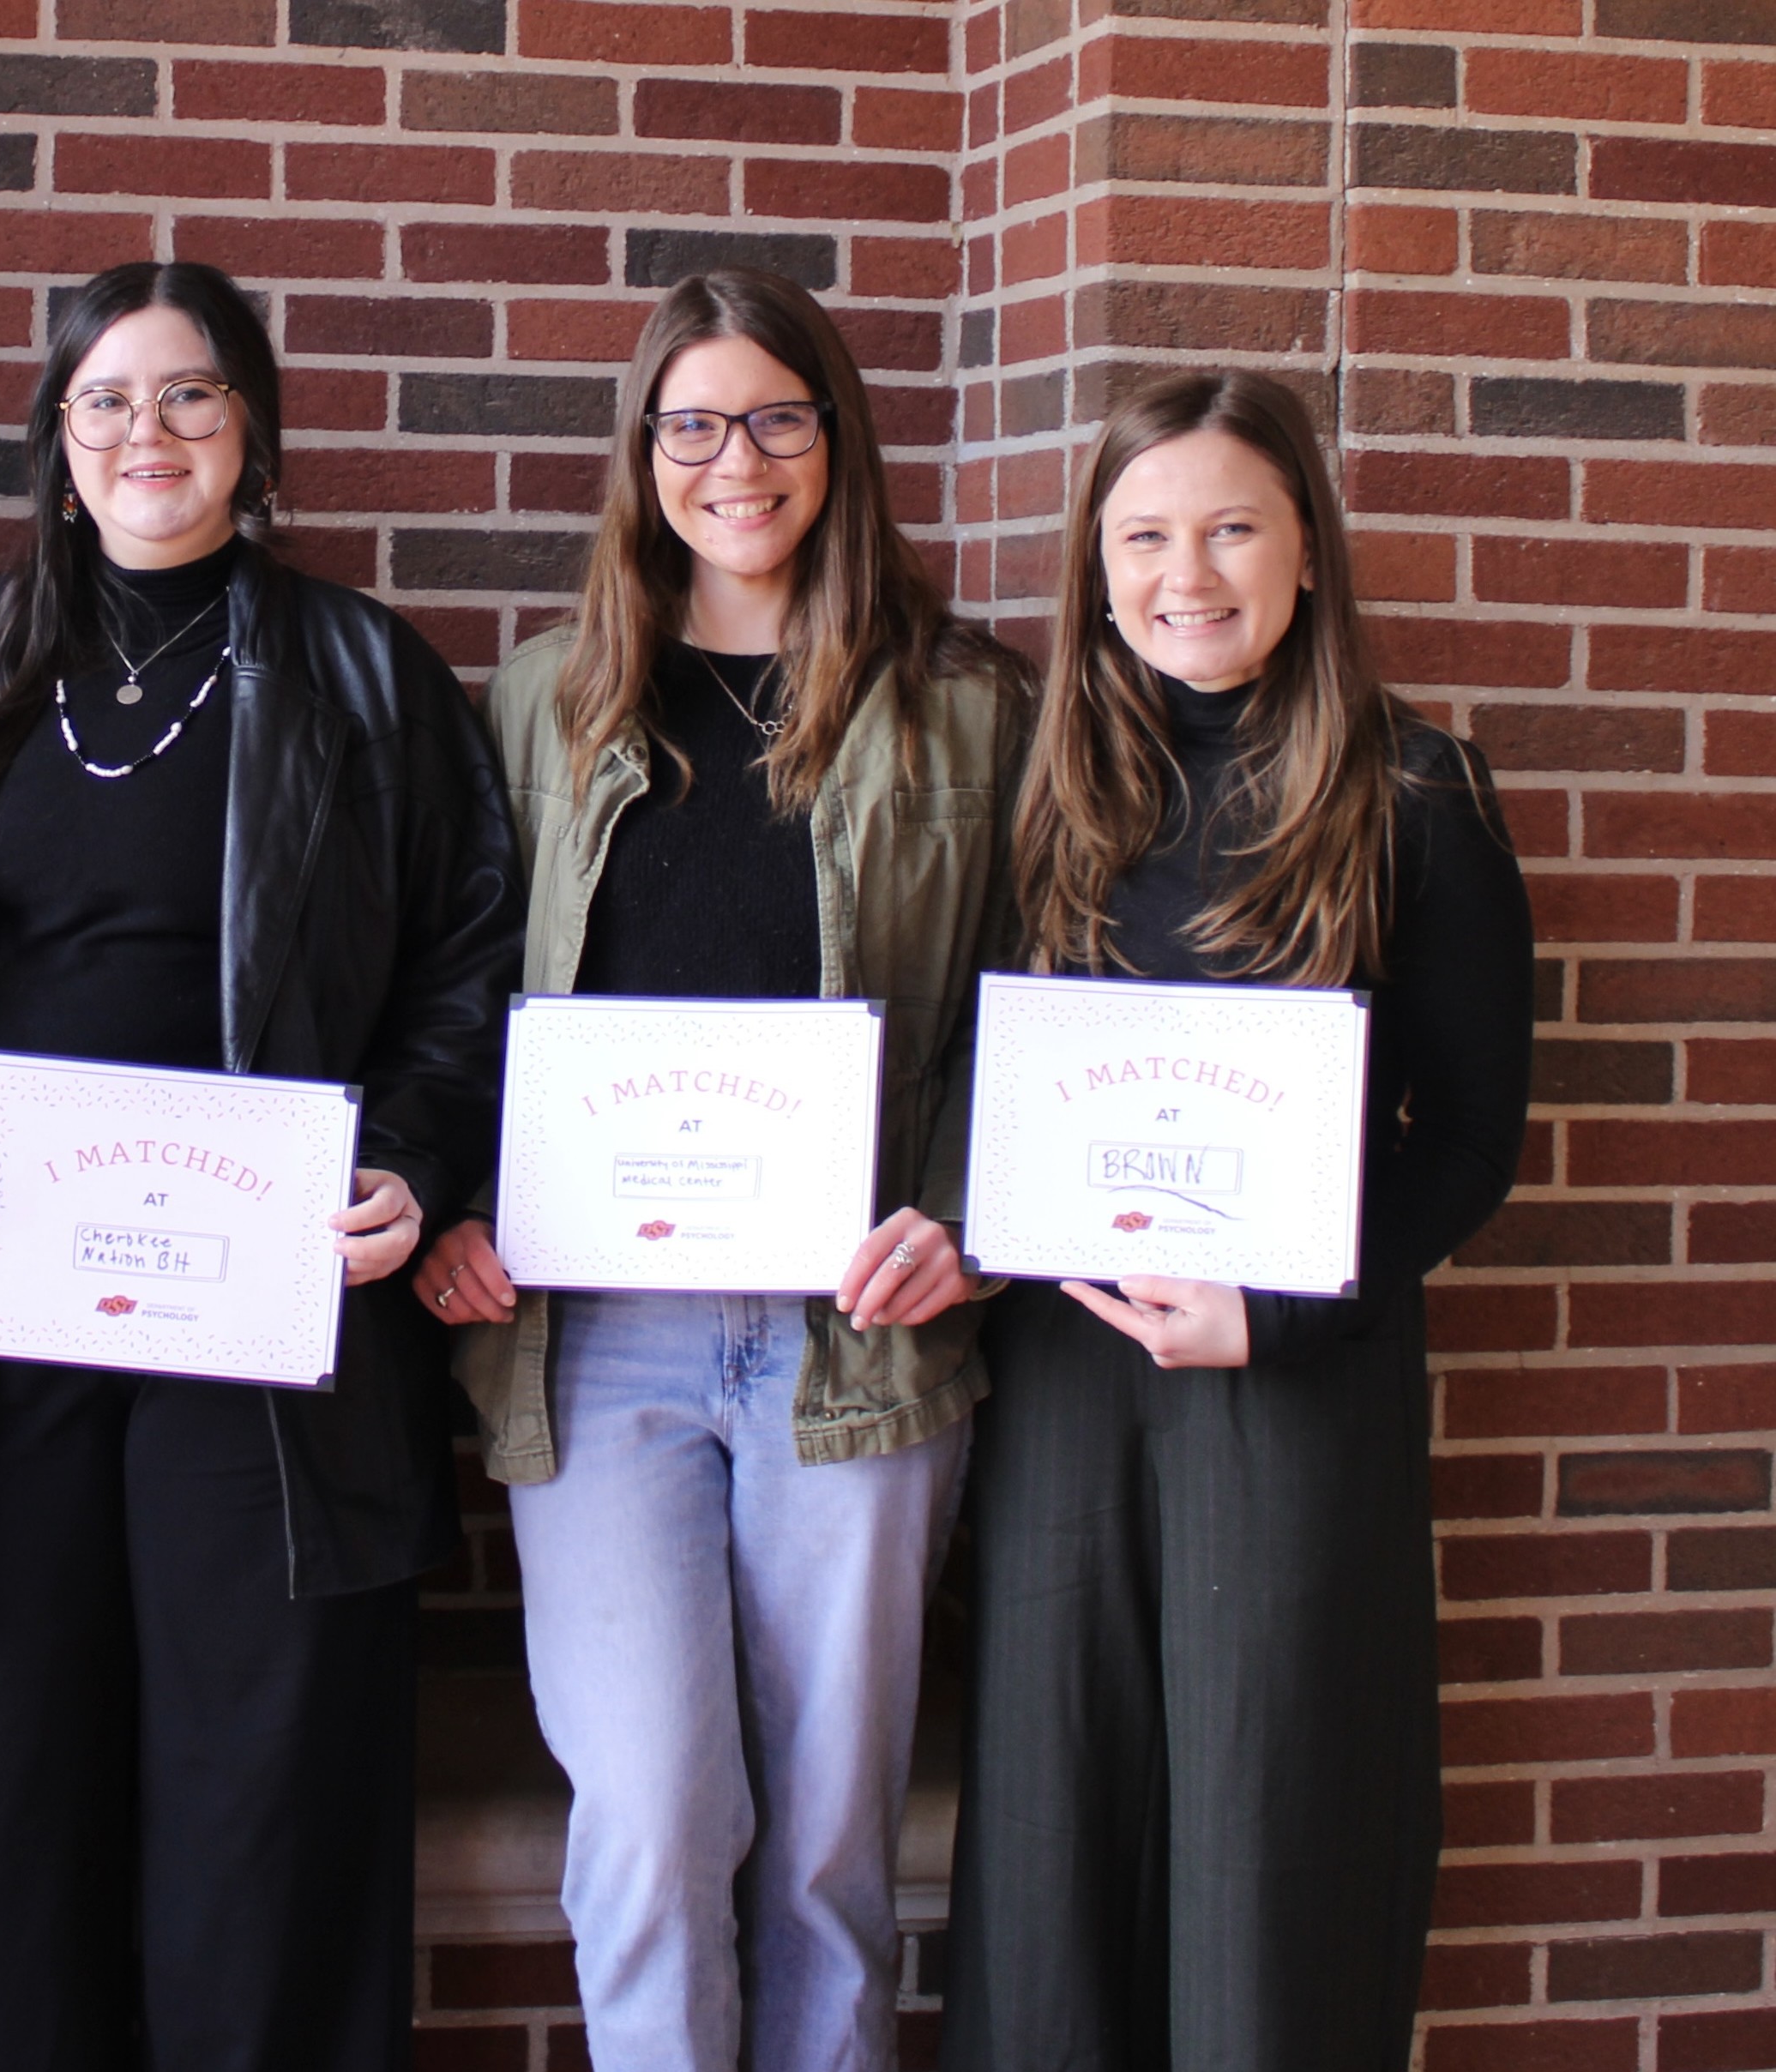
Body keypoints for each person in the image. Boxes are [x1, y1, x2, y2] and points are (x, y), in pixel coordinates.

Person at [0, 258, 523, 2072]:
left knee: (261, 1792)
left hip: (268, 1317)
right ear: (58, 442)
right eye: (108, 399)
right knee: (11, 1788)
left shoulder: (367, 673)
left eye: (192, 394)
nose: (151, 432)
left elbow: (468, 960)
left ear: (254, 431)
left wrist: (417, 1157)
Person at [410, 268, 1027, 2072]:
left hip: (860, 1340)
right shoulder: (543, 700)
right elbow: (454, 988)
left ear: (834, 439)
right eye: (690, 422)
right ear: (640, 453)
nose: (731, 459)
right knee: (655, 1825)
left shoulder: (964, 703)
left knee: (833, 1845)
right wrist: (453, 1202)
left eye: (772, 416)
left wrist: (974, 1215)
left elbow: (1031, 993)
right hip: (600, 1344)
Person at [943, 371, 1531, 2072]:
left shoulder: (1413, 792)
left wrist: (1277, 1311)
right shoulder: (1049, 786)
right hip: (1066, 1368)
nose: (1182, 572)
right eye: (1141, 534)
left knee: (1272, 1834)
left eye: (1228, 527)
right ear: (1094, 561)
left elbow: (1468, 1140)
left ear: (1304, 550)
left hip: (1291, 1379)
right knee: (1059, 1812)